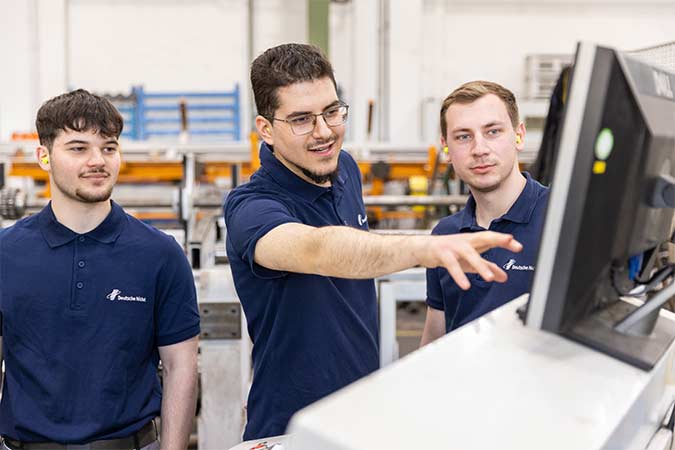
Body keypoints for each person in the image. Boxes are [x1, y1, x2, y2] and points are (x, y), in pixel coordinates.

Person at [224, 44, 523, 440]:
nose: (324, 132)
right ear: (266, 129)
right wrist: (423, 249)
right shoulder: (251, 207)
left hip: (358, 417)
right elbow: (318, 250)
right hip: (291, 427)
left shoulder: (343, 169)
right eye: (301, 120)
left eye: (332, 111)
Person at [0, 89, 201, 450]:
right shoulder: (6, 253)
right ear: (43, 157)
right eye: (78, 148)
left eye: (109, 148)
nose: (98, 161)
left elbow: (180, 368)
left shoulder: (160, 255)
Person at [420, 81, 550, 346]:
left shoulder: (559, 219)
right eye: (463, 137)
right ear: (446, 148)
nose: (479, 149)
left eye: (492, 132)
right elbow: (434, 337)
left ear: (519, 135)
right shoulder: (445, 235)